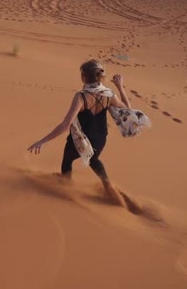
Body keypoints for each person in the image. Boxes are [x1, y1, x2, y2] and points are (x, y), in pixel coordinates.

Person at [27, 59, 150, 211]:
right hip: (100, 138)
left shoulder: (81, 96)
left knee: (67, 161)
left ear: (84, 76)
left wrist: (42, 141)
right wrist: (120, 87)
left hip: (80, 139)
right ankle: (108, 185)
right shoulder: (109, 94)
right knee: (94, 159)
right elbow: (128, 111)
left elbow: (66, 124)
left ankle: (66, 189)